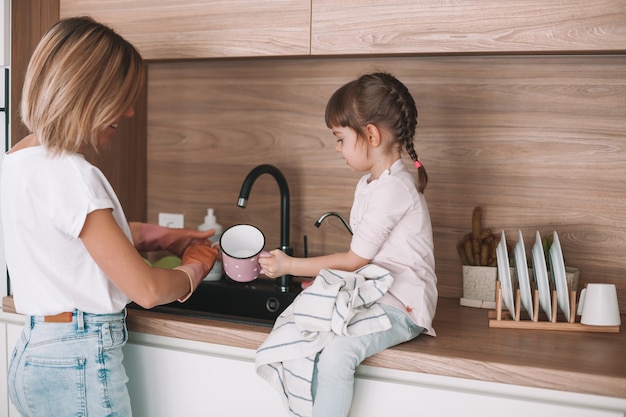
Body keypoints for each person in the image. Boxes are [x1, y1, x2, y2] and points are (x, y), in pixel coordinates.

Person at [0, 17, 218, 417]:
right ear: (88, 94)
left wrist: (167, 237)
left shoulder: (18, 161)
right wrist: (195, 268)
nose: (130, 111)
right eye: (121, 97)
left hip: (33, 354)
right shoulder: (73, 174)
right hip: (78, 356)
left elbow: (75, 243)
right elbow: (148, 291)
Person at [257, 72, 437, 417]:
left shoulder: (394, 189)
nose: (337, 148)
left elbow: (355, 260)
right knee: (310, 340)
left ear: (371, 134)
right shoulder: (371, 184)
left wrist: (289, 266)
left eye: (340, 138)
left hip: (405, 306)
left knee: (338, 354)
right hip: (378, 296)